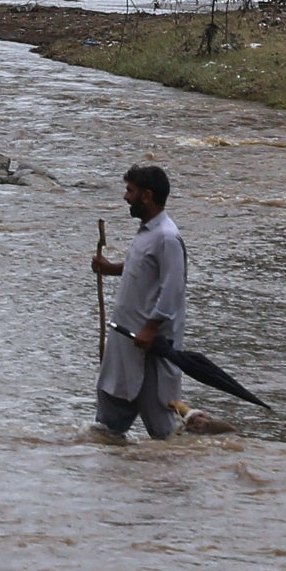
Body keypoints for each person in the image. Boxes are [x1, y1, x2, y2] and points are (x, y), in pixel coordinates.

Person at [91, 164, 187, 439]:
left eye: (129, 191)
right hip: (124, 344)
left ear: (147, 195)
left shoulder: (167, 238)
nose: (125, 197)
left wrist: (150, 327)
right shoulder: (147, 232)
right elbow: (142, 268)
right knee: (106, 433)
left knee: (165, 436)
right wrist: (110, 269)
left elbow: (173, 290)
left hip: (149, 350)